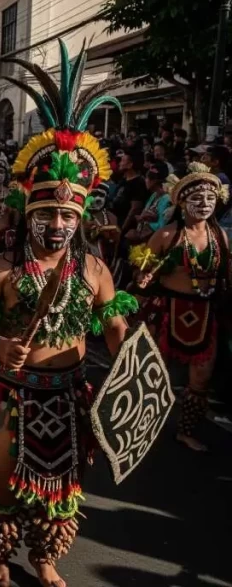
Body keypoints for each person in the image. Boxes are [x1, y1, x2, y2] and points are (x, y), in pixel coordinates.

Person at [0, 43, 136, 587]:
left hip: (67, 394)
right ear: (27, 213)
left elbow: (114, 326)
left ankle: (45, 557)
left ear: (80, 216)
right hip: (12, 388)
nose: (57, 224)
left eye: (67, 214)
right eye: (47, 213)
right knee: (9, 481)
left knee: (63, 487)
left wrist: (119, 335)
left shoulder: (96, 269)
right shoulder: (2, 268)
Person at [132, 162, 229, 452]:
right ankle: (141, 427)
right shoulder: (166, 236)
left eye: (211, 199)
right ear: (183, 201)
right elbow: (141, 273)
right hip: (166, 310)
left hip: (205, 314)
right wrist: (145, 275)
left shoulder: (220, 237)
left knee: (201, 379)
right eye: (198, 198)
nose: (205, 204)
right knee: (153, 374)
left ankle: (185, 431)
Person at [111, 150, 148, 235]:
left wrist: (122, 229)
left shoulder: (138, 183)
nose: (120, 163)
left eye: (123, 161)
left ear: (130, 165)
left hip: (124, 227)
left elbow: (135, 209)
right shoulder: (123, 180)